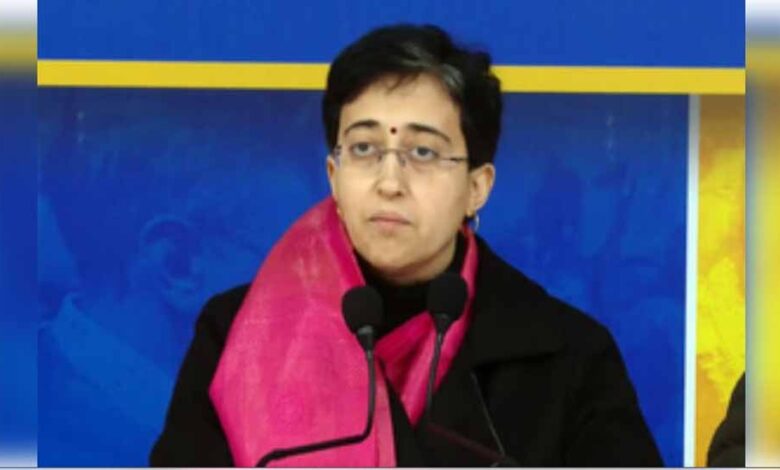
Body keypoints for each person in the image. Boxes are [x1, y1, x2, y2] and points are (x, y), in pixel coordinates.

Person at [150, 24, 662, 466]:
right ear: (333, 175)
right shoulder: (238, 335)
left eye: (423, 152)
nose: (390, 182)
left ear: (477, 187)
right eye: (364, 148)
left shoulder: (570, 356)